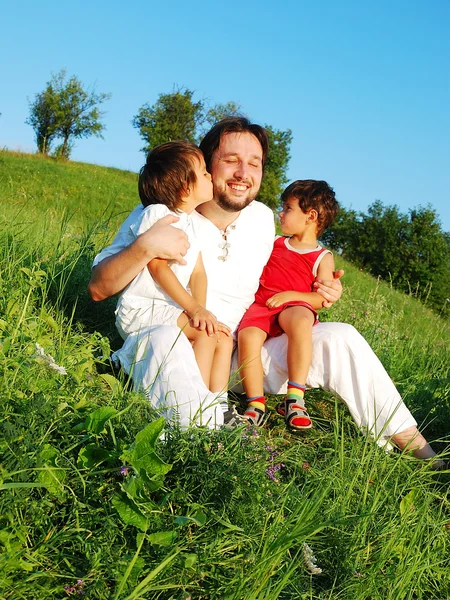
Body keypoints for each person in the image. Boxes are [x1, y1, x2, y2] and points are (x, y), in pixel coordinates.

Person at [89, 117, 441, 463]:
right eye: (231, 161)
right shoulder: (163, 211)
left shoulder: (260, 218)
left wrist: (322, 287)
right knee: (166, 340)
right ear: (207, 166)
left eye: (254, 163)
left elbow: (287, 267)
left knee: (340, 336)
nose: (244, 173)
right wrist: (145, 246)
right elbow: (98, 287)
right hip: (169, 341)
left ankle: (418, 448)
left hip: (235, 356)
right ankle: (205, 444)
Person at [115, 141, 233, 400]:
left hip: (172, 309)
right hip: (143, 309)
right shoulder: (159, 214)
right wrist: (194, 312)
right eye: (203, 172)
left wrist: (202, 314)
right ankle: (194, 404)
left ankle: (218, 405)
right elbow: (156, 266)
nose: (210, 176)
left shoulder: (193, 224)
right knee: (204, 333)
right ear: (185, 187)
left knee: (222, 338)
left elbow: (198, 273)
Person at [238, 179, 338, 429]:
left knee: (302, 320)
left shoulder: (322, 257)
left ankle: (294, 397)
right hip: (262, 304)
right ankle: (255, 403)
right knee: (247, 335)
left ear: (310, 216)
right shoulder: (275, 243)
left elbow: (321, 298)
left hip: (294, 306)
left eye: (288, 207)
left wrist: (292, 295)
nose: (280, 212)